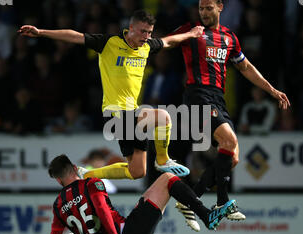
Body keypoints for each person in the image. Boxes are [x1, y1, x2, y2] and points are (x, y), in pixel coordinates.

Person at [18, 10, 204, 181]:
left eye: (149, 32)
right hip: (115, 113)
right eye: (142, 31)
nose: (146, 37)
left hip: (131, 115)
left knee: (137, 171)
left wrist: (191, 34)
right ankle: (163, 160)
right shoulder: (109, 43)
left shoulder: (146, 46)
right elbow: (75, 36)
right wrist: (41, 32)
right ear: (130, 28)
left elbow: (169, 41)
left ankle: (86, 174)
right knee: (162, 117)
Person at [169, 0, 291, 231]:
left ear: (220, 7)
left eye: (208, 8)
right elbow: (168, 41)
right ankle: (223, 202)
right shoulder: (191, 31)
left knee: (232, 156)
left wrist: (272, 90)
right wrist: (146, 44)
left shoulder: (229, 38)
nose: (203, 12)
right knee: (229, 140)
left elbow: (246, 68)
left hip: (218, 99)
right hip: (197, 96)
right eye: (201, 8)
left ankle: (190, 199)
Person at [33, 154, 244, 234]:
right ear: (73, 169)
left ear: (59, 181)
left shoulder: (58, 204)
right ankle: (207, 216)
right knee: (167, 178)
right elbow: (102, 210)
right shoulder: (90, 183)